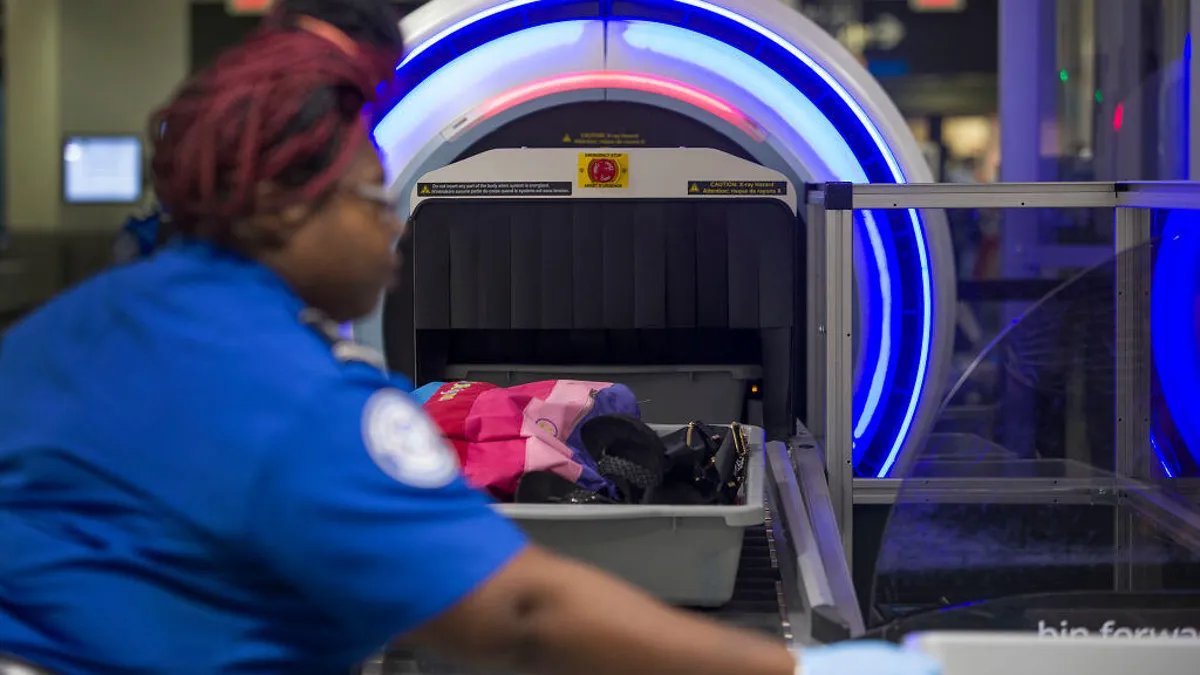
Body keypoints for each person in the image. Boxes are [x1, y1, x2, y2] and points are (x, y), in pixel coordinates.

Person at [0, 2, 941, 674]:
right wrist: (809, 670)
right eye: (369, 199)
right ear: (284, 209)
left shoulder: (69, 330)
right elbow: (521, 612)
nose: (390, 229)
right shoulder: (296, 396)